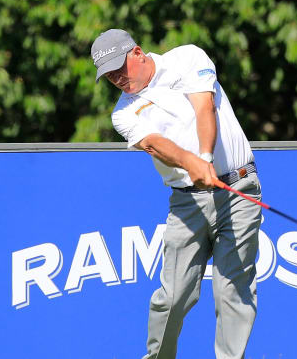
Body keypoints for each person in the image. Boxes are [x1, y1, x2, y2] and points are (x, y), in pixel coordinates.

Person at [91, 28, 263, 359]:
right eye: (109, 76)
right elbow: (154, 143)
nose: (117, 78)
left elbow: (204, 107)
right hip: (186, 201)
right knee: (172, 297)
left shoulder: (186, 57)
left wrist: (205, 160)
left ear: (137, 52)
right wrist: (191, 164)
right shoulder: (123, 112)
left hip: (238, 187)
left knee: (232, 291)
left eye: (120, 68)